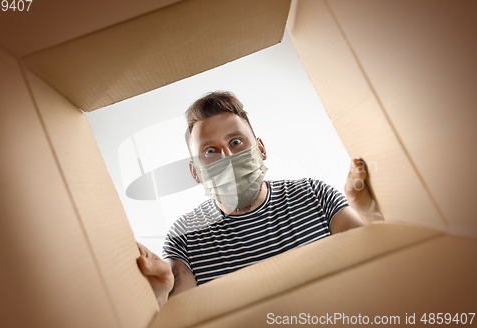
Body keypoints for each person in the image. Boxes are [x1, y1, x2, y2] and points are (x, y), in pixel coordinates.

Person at [136, 91, 383, 309]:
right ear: (195, 172)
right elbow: (184, 317)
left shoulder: (315, 196)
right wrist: (160, 299)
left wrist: (371, 212)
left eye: (236, 142)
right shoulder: (185, 236)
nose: (228, 158)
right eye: (210, 152)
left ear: (261, 150)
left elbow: (380, 266)